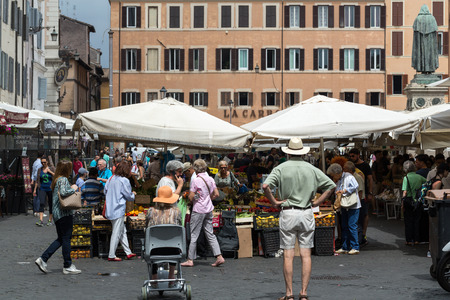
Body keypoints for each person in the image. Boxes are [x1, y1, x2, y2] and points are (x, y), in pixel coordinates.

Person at [262, 137, 335, 300]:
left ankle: (289, 294)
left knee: (288, 255)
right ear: (302, 152)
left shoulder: (280, 168)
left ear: (288, 152)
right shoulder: (311, 168)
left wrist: (274, 202)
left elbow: (265, 186)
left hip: (288, 212)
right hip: (306, 212)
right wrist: (317, 202)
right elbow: (331, 186)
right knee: (306, 254)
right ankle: (303, 293)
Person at [35, 160, 82, 275]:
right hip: (64, 213)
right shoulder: (63, 179)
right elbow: (64, 192)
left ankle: (43, 259)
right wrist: (74, 188)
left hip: (57, 214)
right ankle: (67, 265)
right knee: (66, 238)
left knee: (61, 239)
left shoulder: (56, 179)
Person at [181, 159, 225, 268]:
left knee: (194, 235)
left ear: (195, 169)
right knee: (210, 233)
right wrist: (208, 198)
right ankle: (219, 256)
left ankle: (190, 259)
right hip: (209, 209)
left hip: (198, 209)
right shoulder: (210, 179)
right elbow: (216, 194)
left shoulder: (196, 180)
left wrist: (194, 198)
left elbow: (191, 196)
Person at [146, 186, 182, 288]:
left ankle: (154, 278)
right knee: (173, 240)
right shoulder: (177, 212)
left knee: (151, 242)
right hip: (173, 250)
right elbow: (180, 228)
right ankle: (171, 276)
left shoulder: (151, 211)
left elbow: (147, 227)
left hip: (155, 250)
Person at [104, 161, 137, 261]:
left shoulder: (110, 179)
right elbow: (128, 196)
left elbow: (105, 191)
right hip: (118, 208)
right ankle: (111, 255)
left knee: (122, 231)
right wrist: (133, 194)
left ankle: (128, 252)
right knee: (117, 232)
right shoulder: (124, 180)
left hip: (110, 208)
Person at [328, 163, 361, 255]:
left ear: (337, 173)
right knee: (344, 226)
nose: (333, 177)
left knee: (352, 225)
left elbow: (355, 186)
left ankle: (355, 247)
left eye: (333, 175)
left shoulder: (348, 176)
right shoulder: (339, 180)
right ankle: (345, 246)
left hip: (353, 205)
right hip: (344, 205)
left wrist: (344, 191)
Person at [348, 148, 373, 247]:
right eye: (350, 156)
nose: (351, 158)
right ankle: (357, 236)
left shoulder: (365, 165)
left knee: (364, 214)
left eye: (353, 156)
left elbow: (370, 179)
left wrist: (370, 192)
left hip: (363, 193)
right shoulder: (349, 165)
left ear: (358, 155)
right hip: (352, 194)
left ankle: (363, 234)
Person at [402, 160, 427, 245]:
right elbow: (427, 182)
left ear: (405, 169)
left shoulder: (406, 178)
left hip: (408, 201)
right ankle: (416, 239)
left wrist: (402, 203)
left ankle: (409, 240)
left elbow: (404, 192)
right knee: (417, 221)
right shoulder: (419, 177)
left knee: (408, 221)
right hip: (418, 201)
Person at [33, 157, 56, 226]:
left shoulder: (51, 169)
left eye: (44, 162)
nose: (43, 164)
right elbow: (37, 180)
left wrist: (50, 172)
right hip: (42, 188)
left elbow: (56, 176)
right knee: (42, 203)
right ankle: (41, 220)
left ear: (47, 162)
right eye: (42, 162)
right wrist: (34, 189)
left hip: (50, 189)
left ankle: (50, 220)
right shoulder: (40, 170)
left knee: (50, 204)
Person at [31, 152, 44, 216]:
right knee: (39, 196)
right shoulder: (40, 163)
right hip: (38, 181)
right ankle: (38, 211)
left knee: (35, 196)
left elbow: (33, 172)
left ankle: (35, 211)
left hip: (34, 180)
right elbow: (36, 173)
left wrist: (32, 180)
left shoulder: (35, 162)